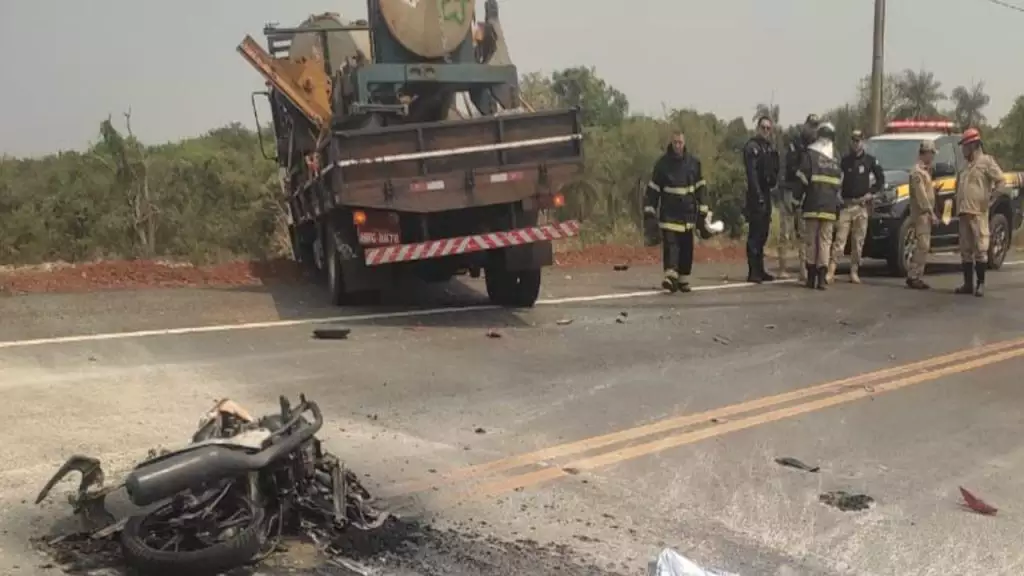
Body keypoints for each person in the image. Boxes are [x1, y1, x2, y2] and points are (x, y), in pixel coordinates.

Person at [644, 131, 709, 293]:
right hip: (669, 214)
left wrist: (703, 212)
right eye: (675, 143)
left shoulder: (694, 163)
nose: (678, 146)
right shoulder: (662, 164)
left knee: (687, 248)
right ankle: (670, 276)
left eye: (680, 142)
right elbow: (653, 190)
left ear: (684, 143)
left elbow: (701, 189)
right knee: (671, 246)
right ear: (671, 143)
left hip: (688, 215)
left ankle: (683, 279)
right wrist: (649, 212)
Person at [828, 129, 885, 284]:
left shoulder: (870, 161)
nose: (855, 143)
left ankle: (854, 270)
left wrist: (871, 194)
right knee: (840, 240)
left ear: (863, 142)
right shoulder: (845, 161)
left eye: (858, 140)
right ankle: (831, 270)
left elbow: (881, 180)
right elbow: (836, 178)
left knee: (858, 241)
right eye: (853, 140)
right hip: (847, 205)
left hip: (861, 206)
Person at [954, 127, 1004, 297]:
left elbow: (1001, 181)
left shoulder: (986, 162)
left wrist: (990, 200)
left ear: (973, 145)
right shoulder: (964, 166)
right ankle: (968, 284)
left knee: (980, 248)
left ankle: (981, 284)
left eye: (965, 146)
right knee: (965, 249)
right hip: (963, 213)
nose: (963, 150)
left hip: (978, 212)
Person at [793, 122, 842, 289]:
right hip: (830, 206)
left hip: (812, 204)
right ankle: (821, 279)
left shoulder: (810, 154)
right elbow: (840, 183)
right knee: (825, 242)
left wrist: (795, 199)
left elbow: (802, 179)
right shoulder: (836, 156)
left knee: (811, 242)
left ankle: (811, 278)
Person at [778, 114, 820, 281]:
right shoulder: (794, 143)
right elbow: (789, 166)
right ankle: (783, 267)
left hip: (805, 193)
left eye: (815, 127)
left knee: (804, 233)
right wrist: (800, 175)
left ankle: (803, 268)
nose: (812, 129)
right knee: (785, 232)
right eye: (810, 126)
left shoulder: (815, 147)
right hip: (789, 190)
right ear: (805, 126)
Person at [743, 115, 781, 283]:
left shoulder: (769, 148)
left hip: (766, 193)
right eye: (763, 127)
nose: (766, 131)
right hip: (755, 193)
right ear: (758, 128)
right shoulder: (752, 147)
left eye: (768, 128)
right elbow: (752, 174)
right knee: (755, 234)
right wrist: (757, 195)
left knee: (764, 233)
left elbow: (773, 171)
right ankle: (753, 271)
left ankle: (760, 269)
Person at [906, 140, 939, 289]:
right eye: (931, 154)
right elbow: (921, 196)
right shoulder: (917, 173)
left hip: (924, 214)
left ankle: (916, 274)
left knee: (924, 245)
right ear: (925, 153)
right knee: (922, 245)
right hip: (921, 214)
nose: (932, 157)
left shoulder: (925, 171)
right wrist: (930, 213)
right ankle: (914, 275)